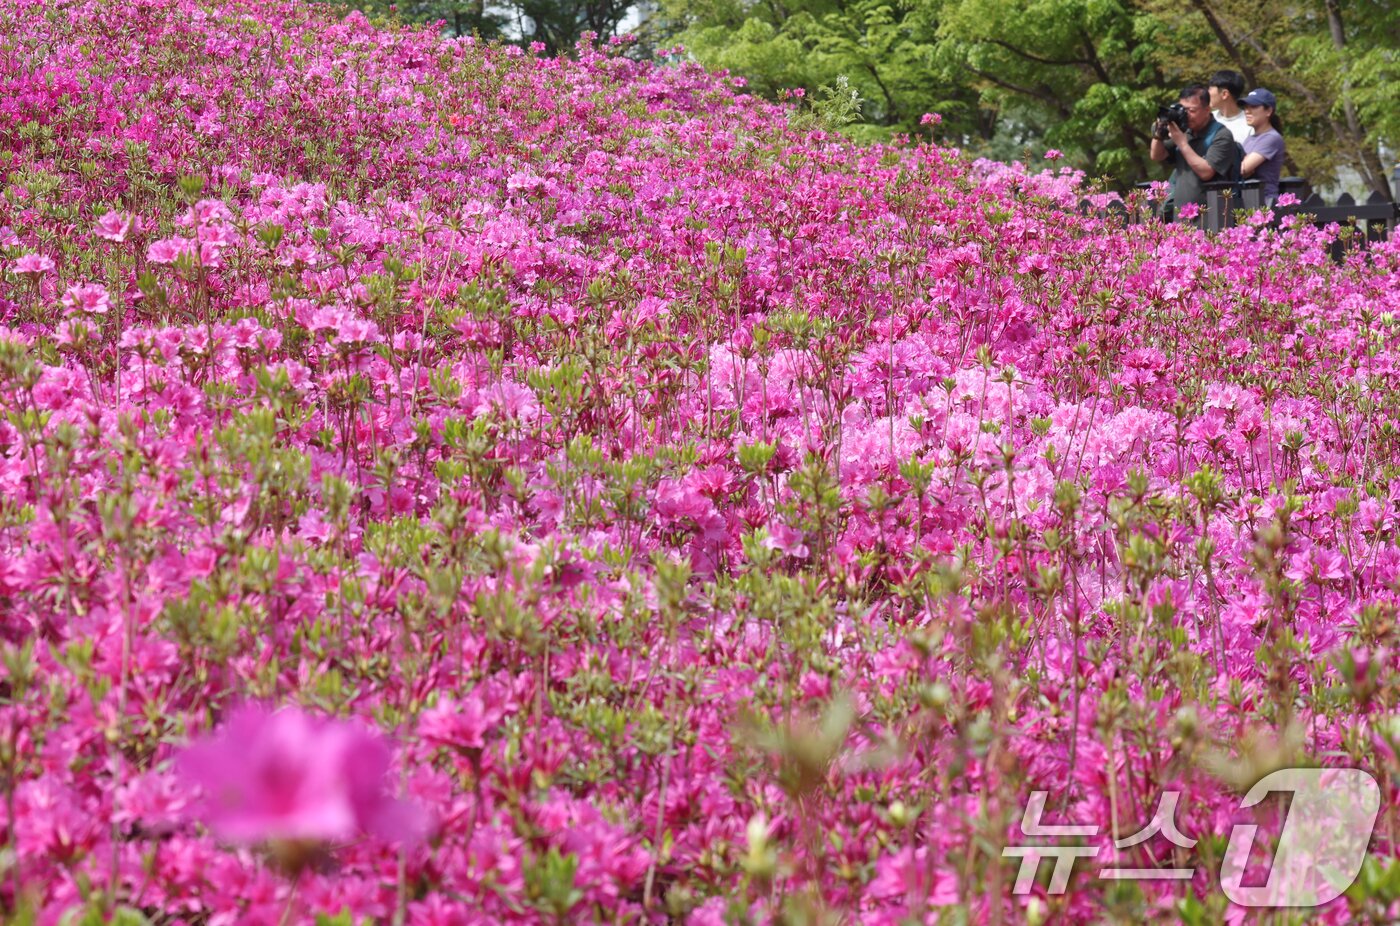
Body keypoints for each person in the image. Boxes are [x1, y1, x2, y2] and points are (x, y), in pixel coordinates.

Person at [1150, 85, 1239, 223]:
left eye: (1191, 110)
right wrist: (1158, 135)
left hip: (1210, 219)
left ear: (1207, 109)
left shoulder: (1222, 135)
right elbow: (1157, 155)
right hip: (1181, 219)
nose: (1185, 115)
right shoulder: (1185, 132)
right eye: (1182, 110)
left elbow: (1206, 172)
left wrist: (1182, 143)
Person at [1240, 88, 1285, 204]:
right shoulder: (1250, 138)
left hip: (1265, 204)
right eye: (1246, 107)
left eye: (1253, 106)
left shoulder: (1271, 138)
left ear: (1268, 111)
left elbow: (1242, 169)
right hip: (1248, 201)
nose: (1247, 111)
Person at [1209, 70, 1251, 144]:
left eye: (1210, 89)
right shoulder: (1208, 118)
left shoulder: (1249, 125)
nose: (1207, 93)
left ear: (1224, 94)